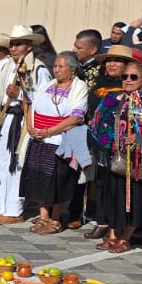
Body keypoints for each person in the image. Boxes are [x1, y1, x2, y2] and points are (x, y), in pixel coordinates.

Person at [89, 62, 142, 253]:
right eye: (125, 76)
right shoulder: (111, 98)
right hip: (114, 156)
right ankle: (112, 234)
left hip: (141, 159)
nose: (128, 80)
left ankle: (126, 236)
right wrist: (111, 142)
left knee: (136, 198)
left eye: (133, 77)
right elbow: (97, 123)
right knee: (113, 196)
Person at [22, 53, 89, 233]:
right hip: (39, 139)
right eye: (55, 66)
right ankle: (43, 217)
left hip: (60, 140)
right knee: (41, 178)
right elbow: (31, 106)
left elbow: (76, 117)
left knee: (58, 180)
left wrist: (48, 131)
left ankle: (56, 218)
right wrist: (30, 128)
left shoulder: (79, 87)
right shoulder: (48, 85)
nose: (57, 70)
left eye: (61, 66)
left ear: (73, 69)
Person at [0, 25, 49, 222]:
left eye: (18, 44)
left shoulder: (38, 68)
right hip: (4, 117)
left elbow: (44, 97)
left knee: (17, 163)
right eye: (12, 44)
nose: (13, 48)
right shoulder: (6, 66)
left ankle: (14, 209)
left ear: (29, 45)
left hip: (23, 120)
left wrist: (22, 94)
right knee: (0, 163)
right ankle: (2, 206)